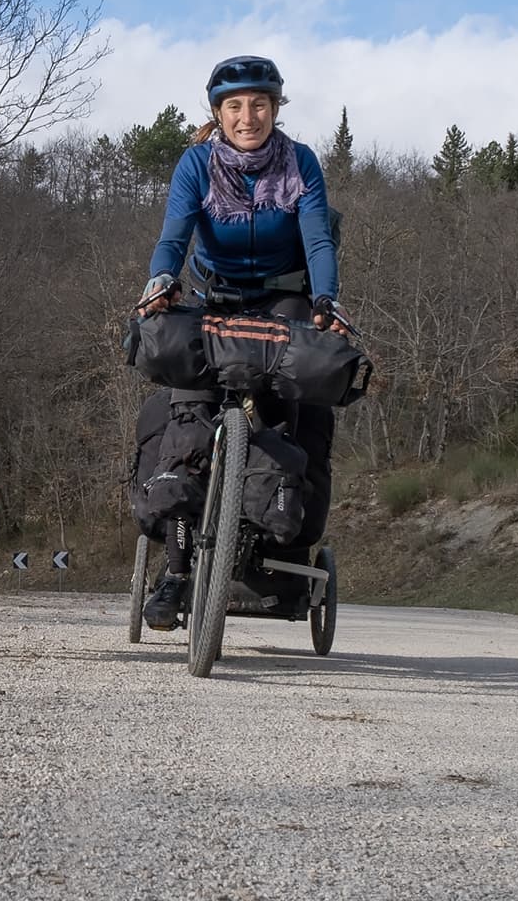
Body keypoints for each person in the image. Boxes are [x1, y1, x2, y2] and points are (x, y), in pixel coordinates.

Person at [132, 54, 350, 630]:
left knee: (285, 407)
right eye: (235, 106)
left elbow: (318, 240)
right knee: (189, 407)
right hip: (212, 293)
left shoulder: (300, 162)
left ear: (276, 109)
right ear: (218, 114)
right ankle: (177, 572)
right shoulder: (196, 165)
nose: (247, 116)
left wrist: (327, 301)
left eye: (259, 104)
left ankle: (267, 544)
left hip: (283, 296)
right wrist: (159, 286)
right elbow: (174, 235)